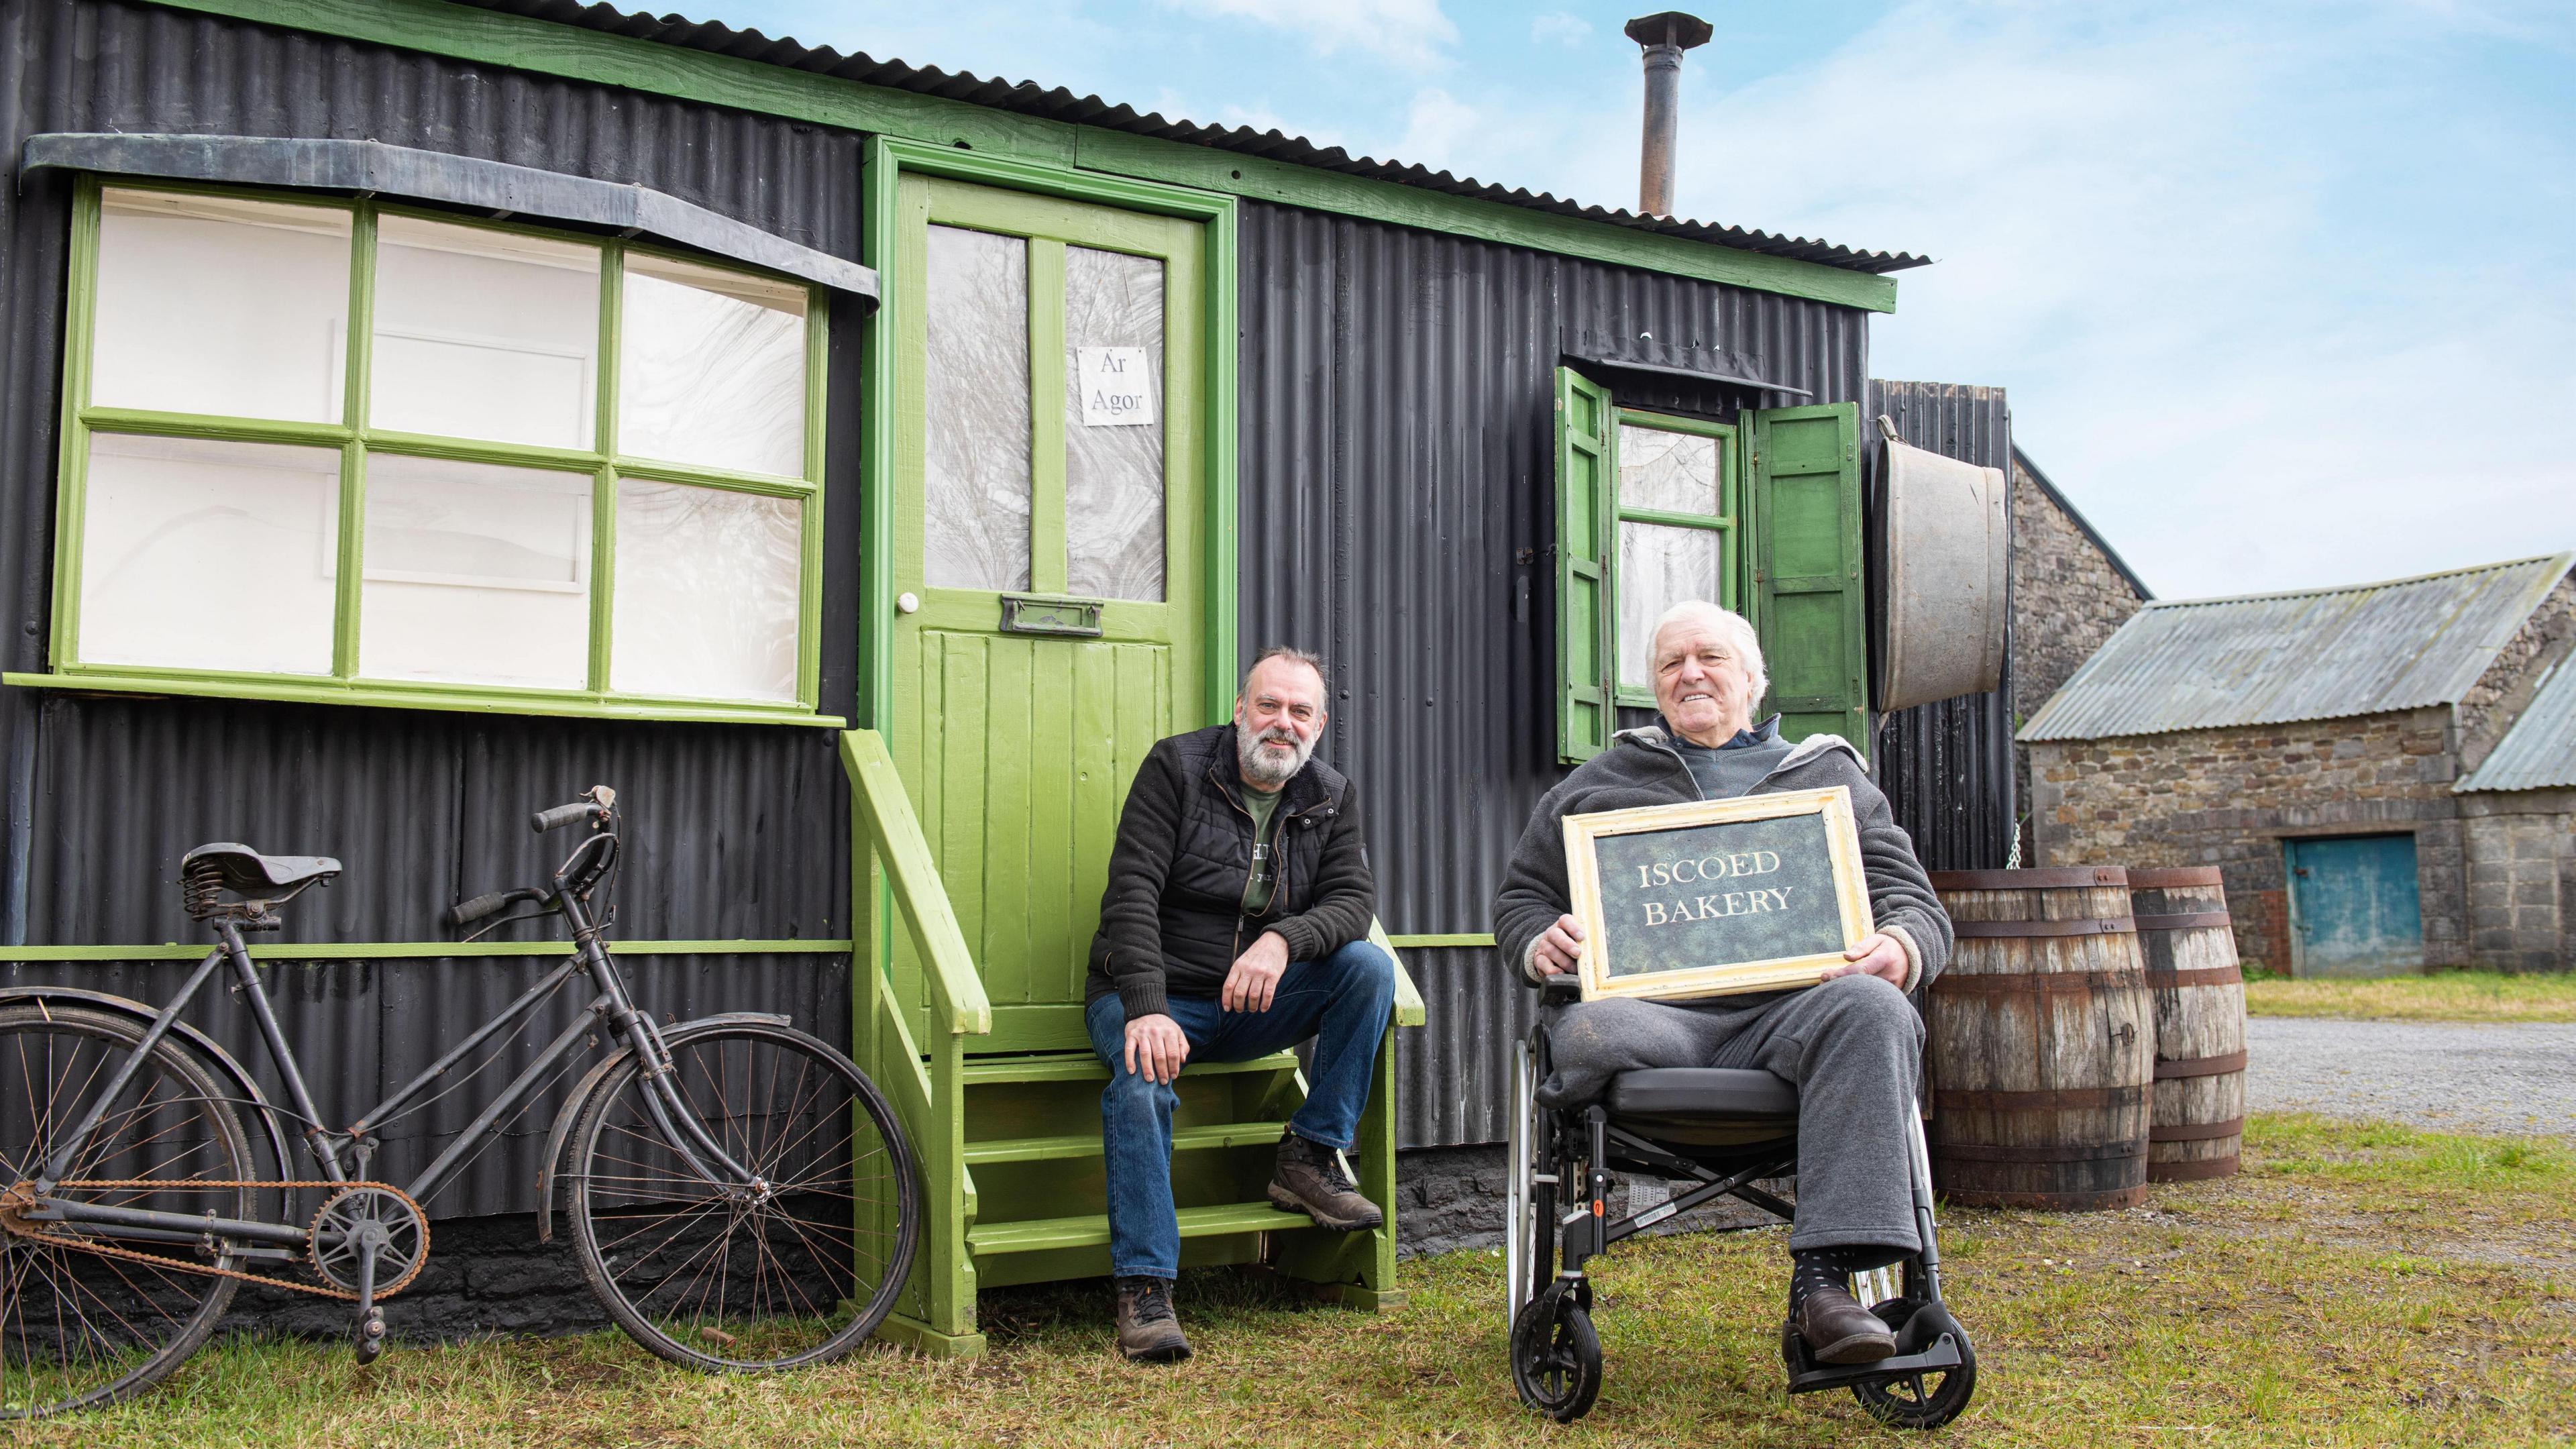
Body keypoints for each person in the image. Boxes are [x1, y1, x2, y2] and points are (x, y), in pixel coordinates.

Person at [1491, 599, 1953, 1367]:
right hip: (1654, 1023)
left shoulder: (1827, 776)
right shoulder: (1599, 784)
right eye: (1671, 663)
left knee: (1874, 1008)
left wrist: (1902, 946)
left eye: (1710, 658)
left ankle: (1824, 1288)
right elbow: (1520, 902)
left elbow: (1916, 903)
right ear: (1655, 686)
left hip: (1794, 1022)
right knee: (1588, 1028)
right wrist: (1540, 940)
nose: (1690, 673)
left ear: (1754, 679)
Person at [1084, 645, 1396, 1363]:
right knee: (1139, 1086)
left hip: (1248, 1002)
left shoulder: (1330, 795)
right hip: (1148, 995)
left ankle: (1309, 1155)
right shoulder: (1177, 769)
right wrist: (1146, 1005)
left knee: (1366, 970)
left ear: (1318, 726)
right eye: (1269, 705)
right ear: (1239, 711)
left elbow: (1353, 903)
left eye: (1299, 711)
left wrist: (1284, 940)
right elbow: (1130, 892)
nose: (1281, 723)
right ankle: (1147, 1289)